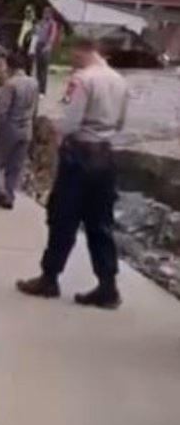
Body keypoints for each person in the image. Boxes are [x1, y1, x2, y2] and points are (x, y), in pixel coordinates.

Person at [17, 38, 129, 310]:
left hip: (79, 156)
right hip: (105, 155)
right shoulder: (120, 81)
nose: (71, 60)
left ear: (83, 51)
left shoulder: (82, 80)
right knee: (100, 223)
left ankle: (50, 277)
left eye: (73, 54)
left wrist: (53, 126)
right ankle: (107, 286)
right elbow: (121, 122)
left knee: (62, 218)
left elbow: (70, 121)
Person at [0, 52, 39, 209]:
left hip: (10, 127)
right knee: (15, 166)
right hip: (26, 128)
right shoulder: (34, 83)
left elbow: (2, 111)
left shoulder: (10, 84)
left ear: (10, 66)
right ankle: (10, 196)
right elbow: (35, 108)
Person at [32, 7, 58, 96]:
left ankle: (42, 90)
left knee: (43, 69)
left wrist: (48, 46)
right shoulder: (41, 22)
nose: (45, 14)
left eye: (47, 13)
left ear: (50, 14)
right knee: (38, 68)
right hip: (38, 44)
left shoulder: (52, 23)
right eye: (44, 12)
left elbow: (52, 35)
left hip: (45, 45)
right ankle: (37, 88)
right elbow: (36, 33)